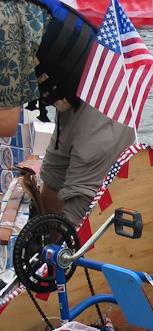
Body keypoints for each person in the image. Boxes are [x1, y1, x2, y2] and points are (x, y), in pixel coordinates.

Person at [0, 0, 134, 224]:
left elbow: (6, 122)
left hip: (108, 92)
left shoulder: (6, 23)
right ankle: (47, 242)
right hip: (70, 98)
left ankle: (71, 245)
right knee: (53, 178)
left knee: (79, 205)